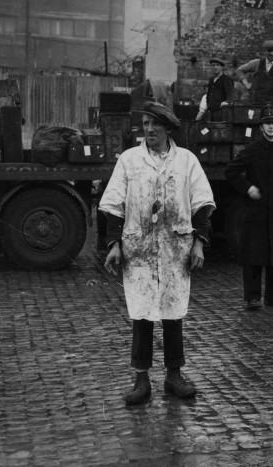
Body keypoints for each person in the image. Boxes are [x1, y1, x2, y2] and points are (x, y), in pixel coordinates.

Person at [99, 101, 216, 405]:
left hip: (176, 248)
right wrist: (114, 244)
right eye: (146, 124)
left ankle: (174, 376)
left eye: (156, 125)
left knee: (173, 312)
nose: (149, 130)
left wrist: (199, 242)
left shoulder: (186, 160)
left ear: (168, 129)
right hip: (138, 249)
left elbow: (202, 204)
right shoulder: (129, 160)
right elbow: (114, 205)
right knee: (141, 313)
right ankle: (141, 380)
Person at [225, 105, 273, 311]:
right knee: (254, 254)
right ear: (261, 127)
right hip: (256, 211)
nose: (271, 127)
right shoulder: (252, 150)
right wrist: (247, 188)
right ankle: (252, 297)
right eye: (267, 123)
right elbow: (231, 171)